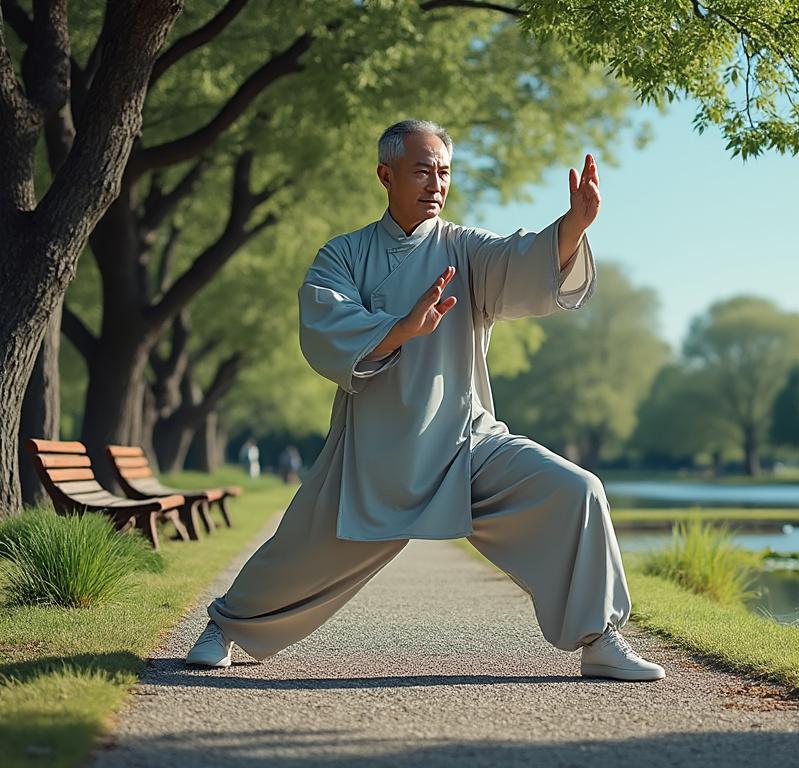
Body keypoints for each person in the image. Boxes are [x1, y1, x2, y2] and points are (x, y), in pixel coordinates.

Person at [185, 119, 663, 682]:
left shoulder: (465, 249)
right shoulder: (343, 256)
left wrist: (571, 229)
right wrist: (402, 328)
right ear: (385, 175)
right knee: (300, 550)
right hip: (376, 453)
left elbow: (523, 261)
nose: (436, 183)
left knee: (577, 491)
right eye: (421, 170)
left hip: (467, 443)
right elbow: (323, 326)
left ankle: (599, 638)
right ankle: (227, 625)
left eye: (444, 172)